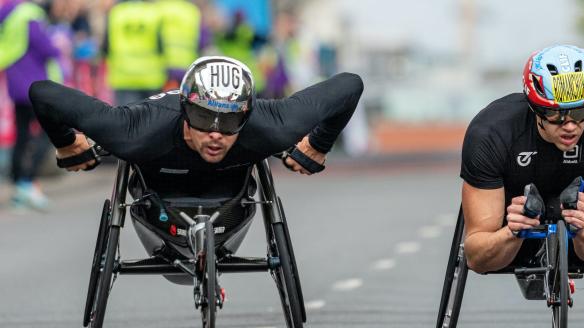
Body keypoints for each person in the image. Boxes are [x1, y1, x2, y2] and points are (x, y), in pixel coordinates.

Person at [30, 55, 362, 199]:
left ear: (246, 115)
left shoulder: (273, 126)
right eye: (204, 118)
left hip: (232, 192)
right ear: (185, 110)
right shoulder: (135, 131)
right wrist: (66, 142)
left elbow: (350, 83)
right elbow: (42, 92)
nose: (216, 133)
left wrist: (319, 142)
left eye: (230, 121)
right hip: (156, 189)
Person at [460, 45, 584, 274]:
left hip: (583, 232)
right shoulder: (490, 132)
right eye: (556, 114)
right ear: (535, 108)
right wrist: (513, 230)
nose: (570, 126)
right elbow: (477, 259)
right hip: (509, 224)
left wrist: (583, 227)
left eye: (580, 112)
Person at [0, 0, 63, 211]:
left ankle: (19, 188)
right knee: (50, 132)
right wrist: (57, 47)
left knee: (22, 136)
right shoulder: (29, 15)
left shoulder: (6, 15)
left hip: (16, 84)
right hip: (36, 85)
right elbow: (47, 48)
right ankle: (28, 182)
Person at [104, 0, 165, 105]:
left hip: (123, 77)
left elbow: (106, 46)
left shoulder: (116, 13)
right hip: (150, 78)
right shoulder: (154, 13)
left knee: (126, 119)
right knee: (151, 118)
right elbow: (161, 48)